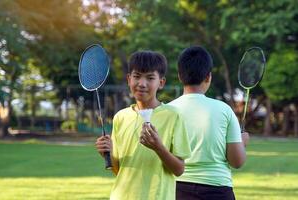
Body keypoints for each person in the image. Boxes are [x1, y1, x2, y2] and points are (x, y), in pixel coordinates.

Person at [96, 50, 191, 200]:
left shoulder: (173, 116)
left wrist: (159, 147)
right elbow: (119, 170)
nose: (142, 84)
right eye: (137, 76)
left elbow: (179, 169)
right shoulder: (120, 117)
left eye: (150, 78)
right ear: (129, 79)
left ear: (161, 82)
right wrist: (107, 154)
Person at [169, 46, 250, 200]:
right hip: (218, 190)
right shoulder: (224, 110)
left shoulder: (167, 110)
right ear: (208, 77)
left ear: (180, 76)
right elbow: (237, 161)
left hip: (176, 189)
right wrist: (241, 143)